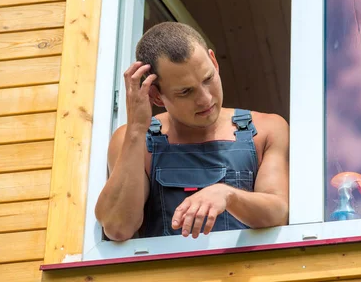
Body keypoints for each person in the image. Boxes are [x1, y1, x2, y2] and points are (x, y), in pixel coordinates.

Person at [95, 22, 289, 240]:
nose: (205, 98)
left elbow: (278, 213)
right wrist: (136, 130)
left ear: (214, 62)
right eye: (186, 91)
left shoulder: (265, 130)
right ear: (156, 96)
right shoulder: (132, 140)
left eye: (208, 79)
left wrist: (228, 195)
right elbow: (117, 227)